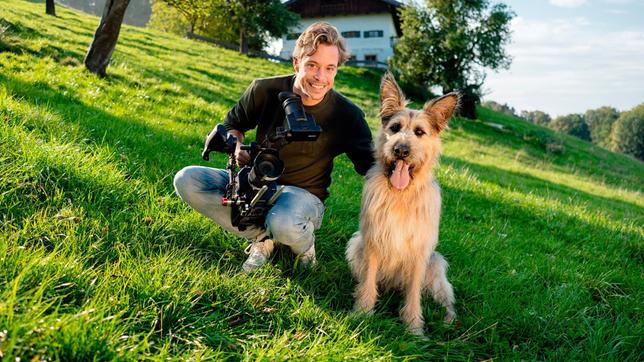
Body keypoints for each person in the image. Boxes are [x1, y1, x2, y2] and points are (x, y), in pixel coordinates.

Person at [173, 22, 374, 272]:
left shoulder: (347, 115)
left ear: (336, 70)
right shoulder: (265, 89)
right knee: (187, 180)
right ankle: (261, 238)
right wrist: (236, 148)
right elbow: (232, 126)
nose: (320, 77)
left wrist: (404, 163)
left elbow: (371, 166)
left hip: (304, 196)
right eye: (312, 65)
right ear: (296, 62)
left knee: (284, 222)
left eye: (329, 68)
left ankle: (304, 243)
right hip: (256, 182)